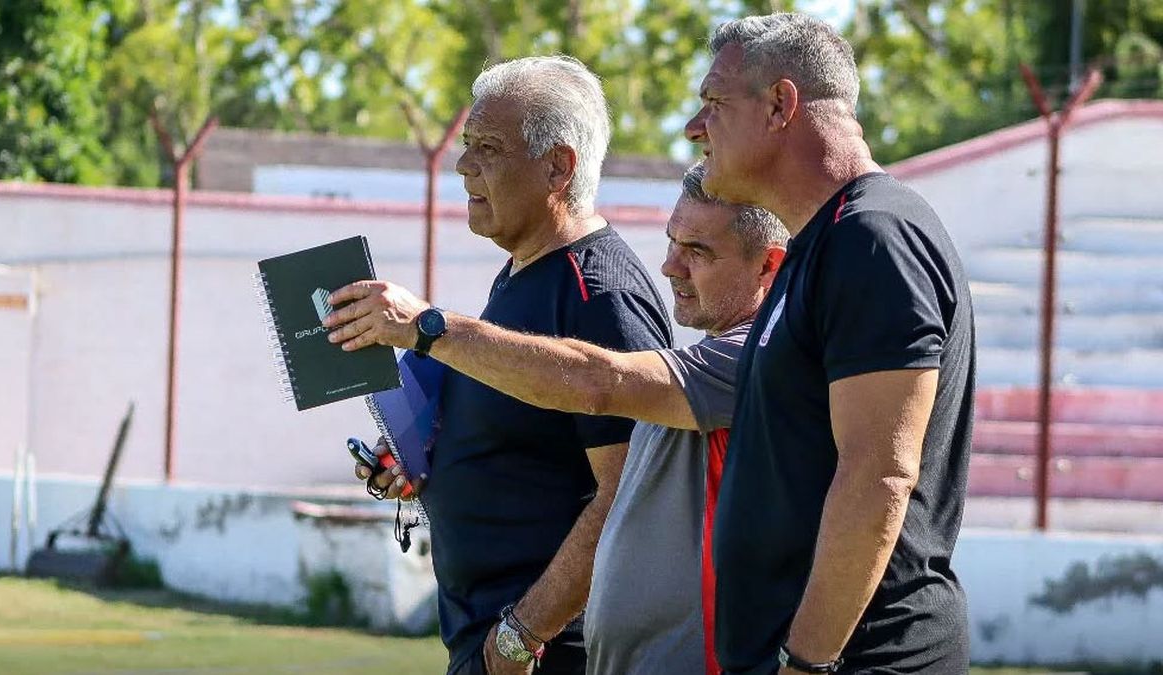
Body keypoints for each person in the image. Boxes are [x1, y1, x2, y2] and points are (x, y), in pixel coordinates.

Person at [325, 163, 787, 675]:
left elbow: (600, 384)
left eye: (697, 251)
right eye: (672, 241)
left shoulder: (758, 357)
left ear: (769, 265)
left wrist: (429, 328)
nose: (670, 266)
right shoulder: (711, 356)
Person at [327, 56, 673, 675]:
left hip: (550, 651)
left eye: (489, 148)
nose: (464, 167)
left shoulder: (601, 295)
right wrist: (422, 467)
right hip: (488, 639)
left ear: (558, 167)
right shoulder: (520, 274)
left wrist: (525, 631)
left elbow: (631, 497)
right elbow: (520, 444)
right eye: (465, 146)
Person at [684, 13, 976, 674]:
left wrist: (807, 662)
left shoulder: (874, 238)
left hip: (857, 659)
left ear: (781, 104)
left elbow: (880, 474)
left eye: (712, 103)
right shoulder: (828, 240)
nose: (693, 127)